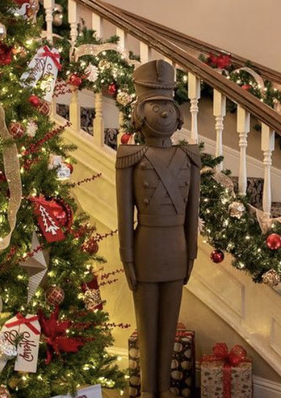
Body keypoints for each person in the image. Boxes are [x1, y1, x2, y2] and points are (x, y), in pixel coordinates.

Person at [116, 60, 200, 398]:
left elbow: (193, 213)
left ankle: (163, 388)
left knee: (168, 328)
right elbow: (124, 214)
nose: (163, 113)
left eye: (167, 105)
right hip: (146, 249)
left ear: (178, 114)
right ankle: (148, 390)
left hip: (177, 250)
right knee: (146, 326)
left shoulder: (189, 157)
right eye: (154, 106)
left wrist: (192, 254)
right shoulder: (130, 158)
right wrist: (128, 259)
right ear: (139, 115)